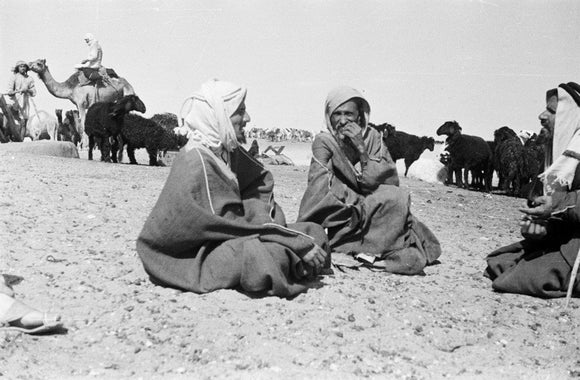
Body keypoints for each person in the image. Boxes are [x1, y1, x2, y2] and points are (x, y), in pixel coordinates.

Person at [136, 79, 330, 297]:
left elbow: (259, 180)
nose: (247, 118)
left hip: (227, 234)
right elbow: (227, 224)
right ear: (219, 116)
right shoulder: (197, 161)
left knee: (313, 231)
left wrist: (261, 217)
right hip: (188, 255)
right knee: (270, 254)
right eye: (241, 111)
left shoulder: (223, 149)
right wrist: (292, 240)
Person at [297, 86, 441, 275]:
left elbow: (388, 181)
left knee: (397, 197)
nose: (342, 121)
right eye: (336, 114)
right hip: (341, 208)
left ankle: (373, 246)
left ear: (359, 116)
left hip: (372, 203)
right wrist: (353, 200)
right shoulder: (324, 142)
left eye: (348, 114)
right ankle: (370, 246)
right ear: (328, 116)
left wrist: (361, 149)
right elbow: (319, 185)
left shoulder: (372, 138)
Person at [484, 82, 580, 298]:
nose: (541, 115)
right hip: (569, 236)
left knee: (521, 278)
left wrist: (556, 206)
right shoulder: (557, 158)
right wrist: (539, 230)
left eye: (552, 111)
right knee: (499, 264)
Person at [5, 60, 36, 131]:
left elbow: (34, 92)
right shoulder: (14, 77)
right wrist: (11, 92)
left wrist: (27, 90)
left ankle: (21, 138)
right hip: (14, 100)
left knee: (24, 121)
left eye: (24, 66)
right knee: (7, 110)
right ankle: (5, 130)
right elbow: (9, 89)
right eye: (21, 66)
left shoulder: (30, 79)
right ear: (17, 68)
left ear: (26, 68)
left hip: (24, 102)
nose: (23, 68)